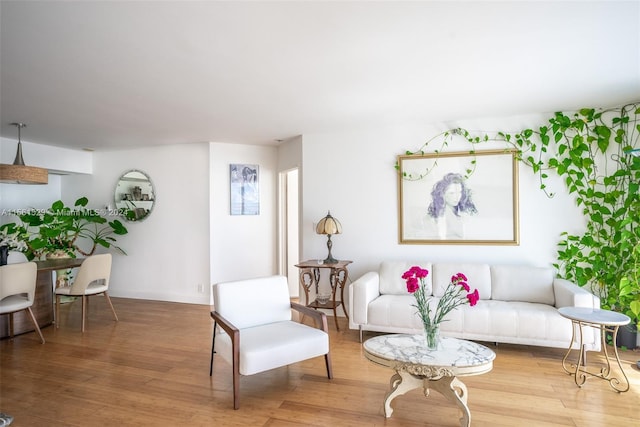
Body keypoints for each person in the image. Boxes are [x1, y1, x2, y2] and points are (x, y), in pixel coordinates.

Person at [425, 173, 477, 239]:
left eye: (459, 192)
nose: (457, 197)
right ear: (442, 194)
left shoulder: (461, 212)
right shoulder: (440, 216)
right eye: (452, 193)